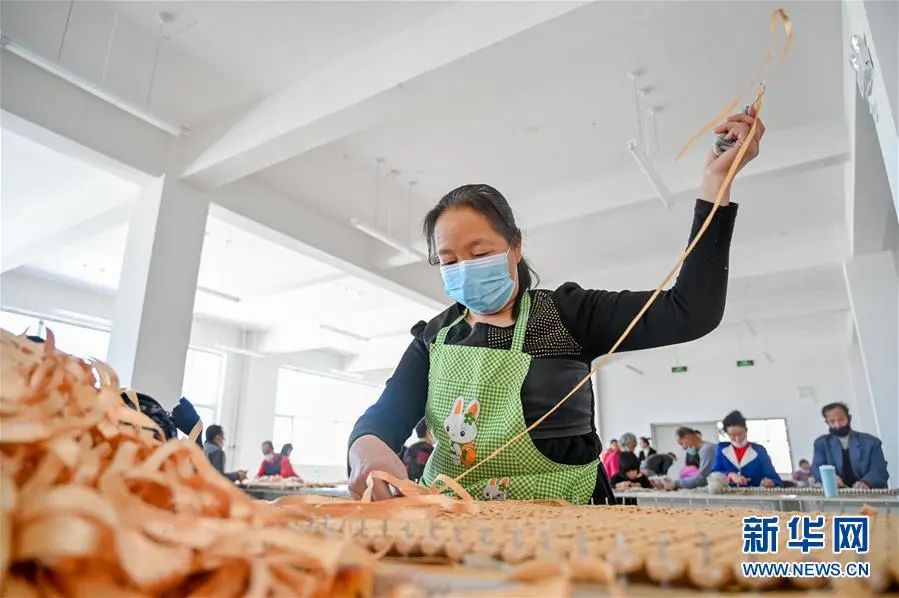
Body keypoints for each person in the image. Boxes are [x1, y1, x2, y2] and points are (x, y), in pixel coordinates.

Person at [347, 110, 763, 503]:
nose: (465, 269)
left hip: (569, 519)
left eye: (480, 252)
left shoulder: (567, 315)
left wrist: (715, 186)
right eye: (450, 260)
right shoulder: (435, 338)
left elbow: (691, 311)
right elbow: (383, 417)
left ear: (515, 246)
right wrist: (369, 450)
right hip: (455, 520)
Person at [811, 402, 889, 489]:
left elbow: (879, 469)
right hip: (838, 495)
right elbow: (816, 468)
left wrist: (866, 482)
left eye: (841, 420)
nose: (837, 425)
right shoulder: (821, 443)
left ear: (849, 418)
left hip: (869, 493)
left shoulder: (871, 442)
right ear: (827, 423)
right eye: (832, 421)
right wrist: (829, 478)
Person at [711, 410, 781, 488]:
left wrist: (770, 482)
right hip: (729, 494)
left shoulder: (759, 450)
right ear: (727, 433)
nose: (737, 439)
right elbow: (715, 472)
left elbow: (775, 478)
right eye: (732, 435)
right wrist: (730, 474)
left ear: (746, 430)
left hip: (755, 495)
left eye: (740, 433)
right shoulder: (722, 448)